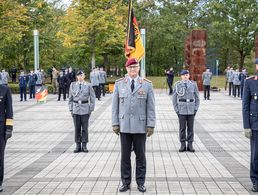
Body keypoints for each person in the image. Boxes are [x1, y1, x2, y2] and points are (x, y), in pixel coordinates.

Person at [112, 58, 156, 193]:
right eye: (130, 68)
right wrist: (115, 123)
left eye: (135, 67)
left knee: (141, 156)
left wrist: (151, 124)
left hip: (140, 126)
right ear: (127, 69)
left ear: (138, 69)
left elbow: (151, 107)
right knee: (125, 157)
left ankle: (141, 182)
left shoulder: (147, 85)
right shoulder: (119, 84)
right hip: (124, 126)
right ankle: (125, 182)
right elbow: (115, 106)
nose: (133, 70)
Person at [172, 70, 200, 152]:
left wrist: (195, 109)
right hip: (181, 109)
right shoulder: (177, 85)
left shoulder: (193, 84)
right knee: (182, 128)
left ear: (189, 76)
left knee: (191, 128)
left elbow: (197, 98)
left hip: (191, 109)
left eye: (187, 75)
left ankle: (190, 144)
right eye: (183, 75)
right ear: (181, 76)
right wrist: (177, 110)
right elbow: (174, 99)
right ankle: (183, 144)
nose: (185, 76)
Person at [68, 70, 96, 153]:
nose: (80, 77)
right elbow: (70, 98)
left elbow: (92, 98)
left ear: (84, 76)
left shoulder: (88, 85)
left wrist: (91, 108)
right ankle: (77, 145)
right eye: (78, 76)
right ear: (77, 77)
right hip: (76, 109)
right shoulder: (73, 85)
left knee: (84, 128)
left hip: (85, 109)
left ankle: (84, 145)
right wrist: (71, 109)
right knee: (77, 128)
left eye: (81, 75)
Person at [242, 58, 258, 192]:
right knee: (256, 155)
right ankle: (256, 181)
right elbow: (245, 106)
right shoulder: (250, 82)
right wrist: (246, 126)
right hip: (255, 125)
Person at [0, 84, 13, 192]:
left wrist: (9, 128)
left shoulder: (5, 89)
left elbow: (9, 110)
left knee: (0, 156)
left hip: (1, 129)